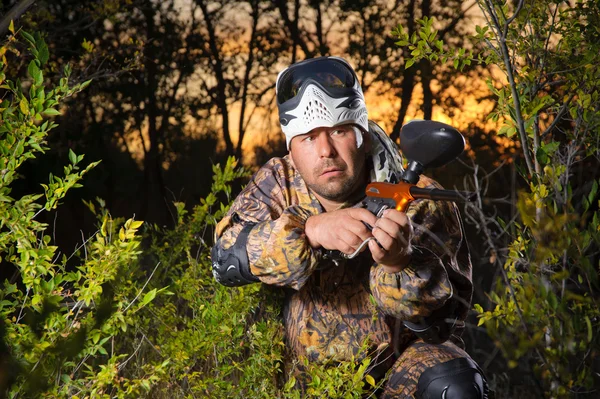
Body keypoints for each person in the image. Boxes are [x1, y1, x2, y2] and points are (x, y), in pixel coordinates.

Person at [211, 56, 488, 398]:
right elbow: (224, 259)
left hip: (396, 372)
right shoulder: (279, 180)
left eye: (339, 131)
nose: (325, 151)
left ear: (364, 136)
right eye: (308, 138)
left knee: (455, 387)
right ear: (292, 150)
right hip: (301, 376)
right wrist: (309, 230)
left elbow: (440, 325)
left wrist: (400, 264)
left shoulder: (416, 198)